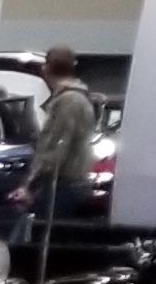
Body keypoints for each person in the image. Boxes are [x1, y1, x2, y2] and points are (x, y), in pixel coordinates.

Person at [33, 46, 103, 223]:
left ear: (46, 68)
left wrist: (31, 184)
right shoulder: (80, 98)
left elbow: (56, 146)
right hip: (76, 183)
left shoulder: (67, 101)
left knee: (34, 238)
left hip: (62, 186)